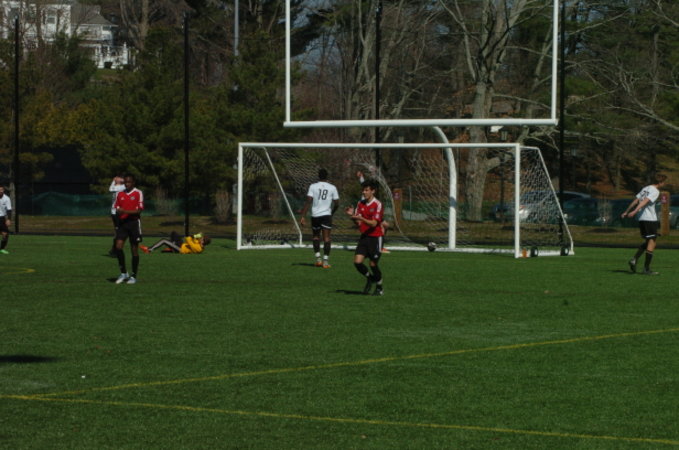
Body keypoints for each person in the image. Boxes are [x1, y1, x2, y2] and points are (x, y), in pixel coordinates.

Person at [621, 173, 667, 275]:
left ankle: (634, 259)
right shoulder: (655, 191)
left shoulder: (646, 188)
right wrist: (634, 211)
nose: (664, 184)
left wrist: (626, 211)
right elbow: (645, 201)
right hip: (649, 219)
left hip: (642, 218)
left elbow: (636, 200)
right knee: (652, 242)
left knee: (648, 241)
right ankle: (646, 269)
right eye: (664, 182)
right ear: (660, 182)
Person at [346, 180, 384, 295]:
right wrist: (352, 216)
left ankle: (380, 287)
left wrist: (361, 218)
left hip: (376, 238)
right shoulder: (360, 203)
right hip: (365, 237)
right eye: (363, 190)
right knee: (357, 262)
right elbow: (358, 223)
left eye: (366, 190)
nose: (364, 192)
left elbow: (374, 224)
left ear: (373, 191)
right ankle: (370, 278)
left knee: (373, 264)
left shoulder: (378, 204)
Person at [299, 168, 340, 268]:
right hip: (326, 215)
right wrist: (332, 212)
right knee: (326, 238)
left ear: (318, 176)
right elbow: (337, 203)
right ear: (327, 176)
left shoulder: (313, 186)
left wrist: (303, 216)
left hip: (315, 216)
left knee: (316, 237)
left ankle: (318, 260)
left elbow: (308, 201)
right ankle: (325, 261)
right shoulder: (332, 187)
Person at [113, 175, 144, 284]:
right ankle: (123, 273)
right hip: (123, 224)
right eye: (125, 182)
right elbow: (117, 207)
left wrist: (125, 211)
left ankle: (133, 276)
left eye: (129, 182)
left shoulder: (138, 193)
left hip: (134, 224)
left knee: (134, 250)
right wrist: (118, 213)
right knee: (118, 247)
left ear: (133, 182)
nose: (127, 184)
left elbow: (139, 210)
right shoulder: (120, 194)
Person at [357, 170, 390, 253]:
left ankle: (380, 244)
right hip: (366, 210)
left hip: (372, 210)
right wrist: (361, 177)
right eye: (364, 190)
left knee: (385, 225)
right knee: (376, 226)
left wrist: (373, 173)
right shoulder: (363, 198)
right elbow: (363, 183)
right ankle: (377, 245)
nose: (364, 192)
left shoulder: (375, 199)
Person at [141, 232, 211, 254]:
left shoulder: (198, 248)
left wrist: (195, 236)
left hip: (180, 249)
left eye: (202, 239)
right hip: (181, 244)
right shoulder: (199, 244)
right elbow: (194, 240)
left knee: (163, 240)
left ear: (203, 242)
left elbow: (188, 239)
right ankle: (171, 248)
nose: (200, 238)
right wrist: (197, 237)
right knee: (174, 233)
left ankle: (149, 250)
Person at [108, 176, 126, 256]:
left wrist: (115, 180)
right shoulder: (118, 187)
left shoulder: (122, 187)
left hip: (118, 212)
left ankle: (114, 250)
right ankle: (115, 250)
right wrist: (114, 180)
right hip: (115, 212)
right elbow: (111, 189)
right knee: (119, 231)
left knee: (119, 231)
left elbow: (111, 188)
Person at [0, 186, 12, 255]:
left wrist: (8, 219)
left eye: (1, 189)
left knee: (5, 233)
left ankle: (2, 249)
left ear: (3, 190)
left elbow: (9, 209)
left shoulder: (7, 198)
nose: (0, 191)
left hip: (2, 218)